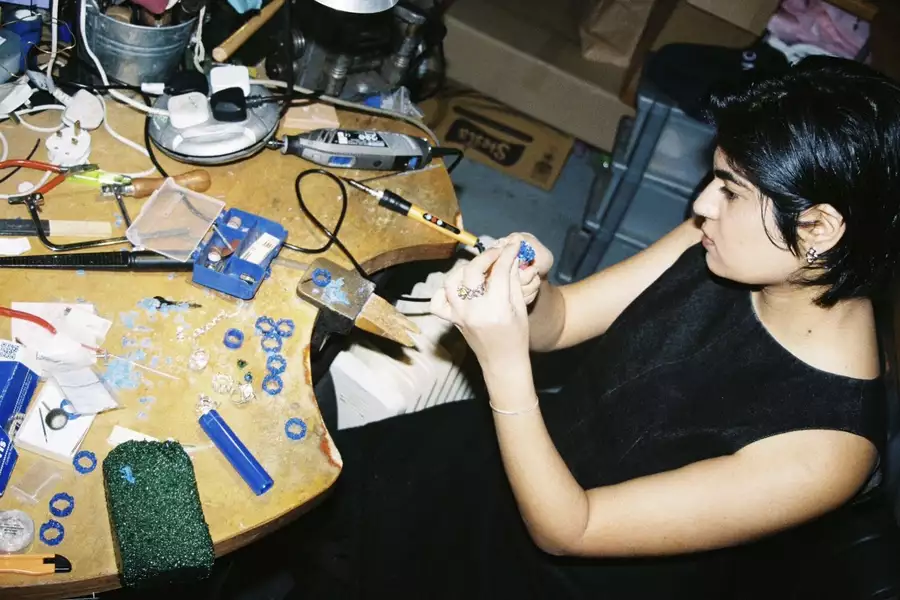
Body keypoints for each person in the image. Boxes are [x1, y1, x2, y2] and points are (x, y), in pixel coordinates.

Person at [283, 56, 900, 599]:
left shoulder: (827, 452)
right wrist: (532, 292)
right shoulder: (728, 243)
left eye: (732, 191)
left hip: (557, 564)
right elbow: (565, 322)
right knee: (329, 496)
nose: (702, 205)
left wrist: (502, 365)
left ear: (819, 228)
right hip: (525, 446)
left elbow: (569, 530)